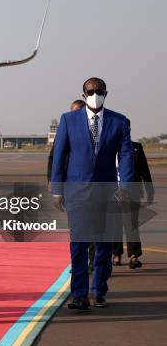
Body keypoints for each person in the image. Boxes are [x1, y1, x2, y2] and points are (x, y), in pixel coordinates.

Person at [51, 77, 134, 311]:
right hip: (77, 191)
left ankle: (99, 291)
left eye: (99, 91)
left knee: (104, 246)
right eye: (90, 91)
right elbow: (59, 154)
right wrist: (57, 189)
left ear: (106, 93)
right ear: (83, 93)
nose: (95, 94)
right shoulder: (69, 120)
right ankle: (79, 294)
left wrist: (125, 186)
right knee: (78, 245)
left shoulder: (119, 121)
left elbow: (126, 155)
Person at [47, 100, 96, 273]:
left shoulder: (94, 133)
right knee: (76, 227)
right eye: (72, 111)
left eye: (79, 111)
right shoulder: (65, 130)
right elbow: (54, 158)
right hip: (70, 186)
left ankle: (91, 260)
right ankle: (78, 263)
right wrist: (53, 181)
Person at [112, 118, 154, 269]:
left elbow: (144, 171)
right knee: (114, 225)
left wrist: (150, 191)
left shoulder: (136, 147)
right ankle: (116, 255)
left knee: (132, 225)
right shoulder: (109, 147)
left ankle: (134, 256)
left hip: (131, 192)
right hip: (111, 191)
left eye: (127, 128)